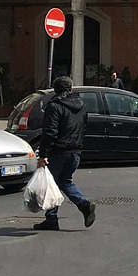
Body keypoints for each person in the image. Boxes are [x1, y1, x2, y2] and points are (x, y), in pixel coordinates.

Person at [35, 75, 94, 231]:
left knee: (50, 184)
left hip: (58, 152)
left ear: (55, 90)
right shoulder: (81, 106)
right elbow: (83, 128)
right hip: (75, 151)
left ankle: (52, 219)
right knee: (65, 181)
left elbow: (50, 132)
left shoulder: (54, 106)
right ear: (71, 88)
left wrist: (43, 155)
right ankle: (83, 204)